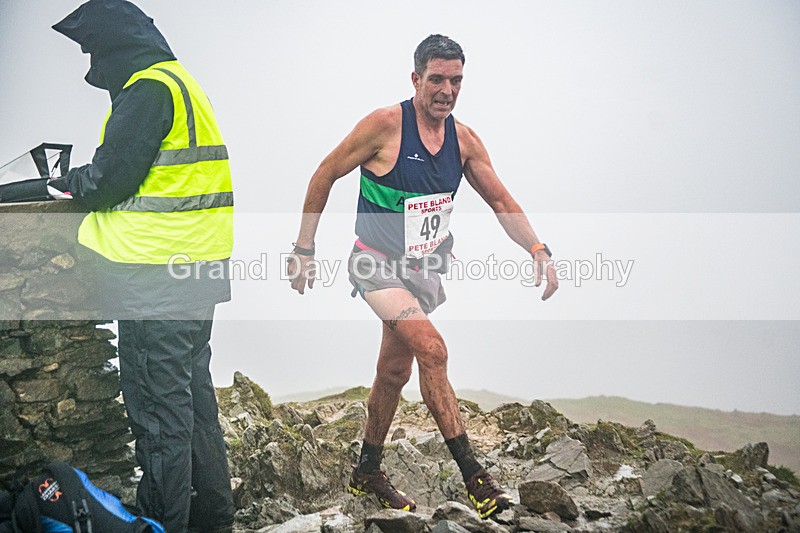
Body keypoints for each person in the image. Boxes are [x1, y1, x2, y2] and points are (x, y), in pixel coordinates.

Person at [288, 34, 558, 519]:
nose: (446, 90)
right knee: (432, 350)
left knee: (394, 371)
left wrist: (537, 248)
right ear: (416, 79)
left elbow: (501, 201)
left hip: (424, 272)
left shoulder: (465, 141)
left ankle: (366, 472)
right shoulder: (385, 126)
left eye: (456, 81)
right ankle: (476, 480)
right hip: (374, 264)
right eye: (436, 79)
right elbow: (324, 173)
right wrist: (304, 248)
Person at [51, 1, 235, 532]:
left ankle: (162, 525)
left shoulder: (147, 91)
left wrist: (71, 182)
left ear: (116, 47)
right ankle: (212, 522)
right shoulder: (182, 84)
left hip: (156, 279)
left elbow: (111, 179)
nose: (91, 63)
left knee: (159, 417)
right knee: (195, 408)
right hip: (198, 270)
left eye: (93, 50)